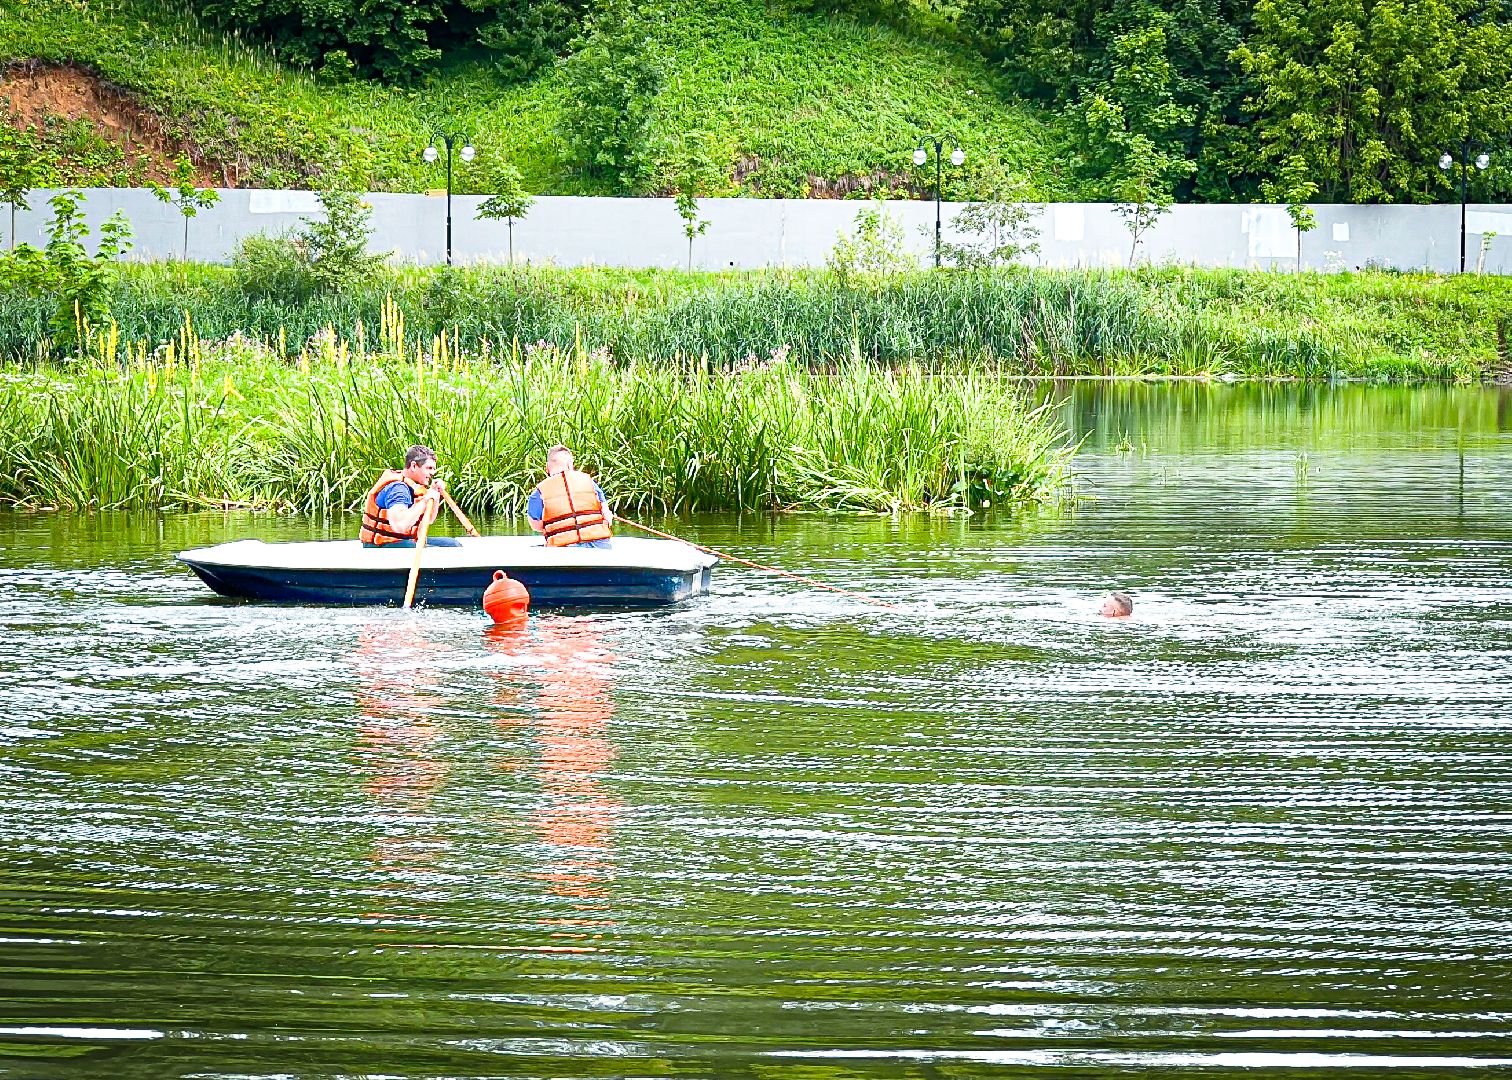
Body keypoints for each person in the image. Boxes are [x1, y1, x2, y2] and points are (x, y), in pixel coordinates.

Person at [359, 444, 464, 548]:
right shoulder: (398, 489)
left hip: (404, 541)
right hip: (383, 545)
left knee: (453, 545)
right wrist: (424, 501)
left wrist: (434, 493)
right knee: (434, 552)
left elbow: (429, 519)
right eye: (429, 468)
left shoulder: (414, 487)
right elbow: (400, 526)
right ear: (413, 466)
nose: (433, 472)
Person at [527, 445, 613, 549]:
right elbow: (608, 518)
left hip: (564, 548)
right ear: (570, 465)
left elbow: (535, 526)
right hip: (599, 546)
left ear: (547, 468)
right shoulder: (589, 482)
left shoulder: (538, 492)